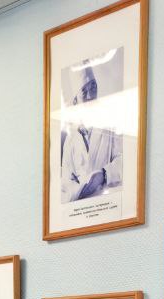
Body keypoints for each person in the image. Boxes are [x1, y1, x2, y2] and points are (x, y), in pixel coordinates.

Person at [60, 63, 123, 203]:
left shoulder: (111, 124)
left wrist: (104, 174)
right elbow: (65, 182)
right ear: (75, 101)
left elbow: (126, 160)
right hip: (81, 208)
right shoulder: (70, 140)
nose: (91, 96)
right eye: (84, 91)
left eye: (93, 87)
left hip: (109, 202)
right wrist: (77, 189)